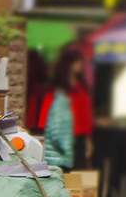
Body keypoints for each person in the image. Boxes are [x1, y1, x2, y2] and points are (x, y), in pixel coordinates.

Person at [38, 43, 94, 171]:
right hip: (62, 137)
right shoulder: (57, 88)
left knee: (78, 175)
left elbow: (86, 114)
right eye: (77, 62)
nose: (80, 66)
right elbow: (47, 116)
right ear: (69, 64)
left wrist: (88, 139)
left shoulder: (81, 86)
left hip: (79, 137)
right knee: (62, 173)